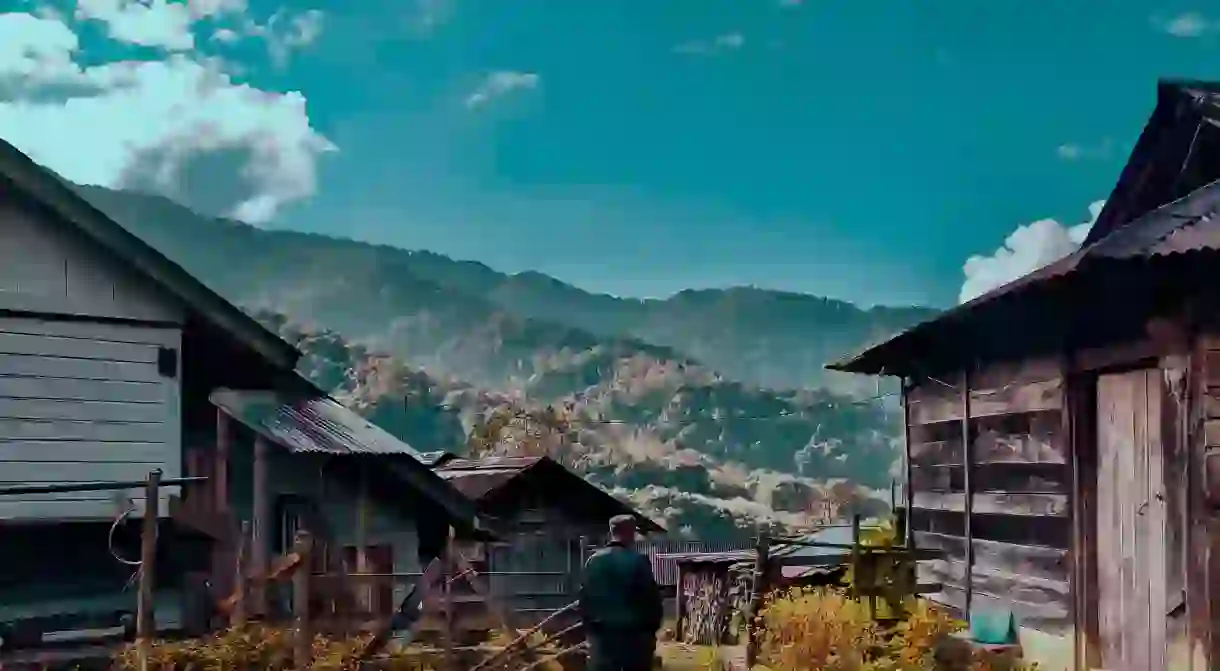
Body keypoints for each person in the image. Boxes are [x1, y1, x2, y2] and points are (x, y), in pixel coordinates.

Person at [578, 514, 663, 671]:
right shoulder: (639, 561)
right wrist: (650, 634)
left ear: (612, 532)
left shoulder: (593, 561)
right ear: (631, 534)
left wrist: (591, 632)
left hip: (602, 641)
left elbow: (584, 601)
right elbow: (653, 603)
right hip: (634, 641)